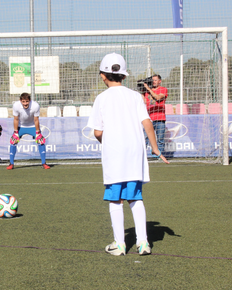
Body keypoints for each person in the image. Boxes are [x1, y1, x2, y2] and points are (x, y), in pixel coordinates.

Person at [87, 53, 169, 256]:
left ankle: (120, 244)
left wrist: (107, 143)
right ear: (124, 76)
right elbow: (147, 123)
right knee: (135, 197)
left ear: (102, 75)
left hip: (115, 154)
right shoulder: (135, 96)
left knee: (116, 200)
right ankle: (143, 243)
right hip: (135, 152)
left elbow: (98, 132)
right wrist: (155, 148)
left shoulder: (101, 98)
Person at [7, 92, 50, 170]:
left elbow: (36, 119)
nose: (25, 103)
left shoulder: (35, 106)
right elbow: (16, 119)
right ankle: (11, 164)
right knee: (13, 141)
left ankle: (44, 163)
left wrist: (38, 132)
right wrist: (16, 132)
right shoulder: (16, 106)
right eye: (23, 101)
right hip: (20, 126)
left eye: (27, 101)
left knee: (41, 141)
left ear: (29, 101)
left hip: (32, 126)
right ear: (20, 101)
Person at [143, 74, 168, 155]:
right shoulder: (146, 92)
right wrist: (141, 90)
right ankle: (142, 155)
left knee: (160, 139)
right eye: (152, 80)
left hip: (160, 118)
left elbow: (157, 97)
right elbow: (142, 101)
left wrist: (148, 89)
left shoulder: (163, 89)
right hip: (148, 119)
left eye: (155, 80)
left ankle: (158, 156)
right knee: (145, 138)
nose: (153, 82)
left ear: (160, 81)